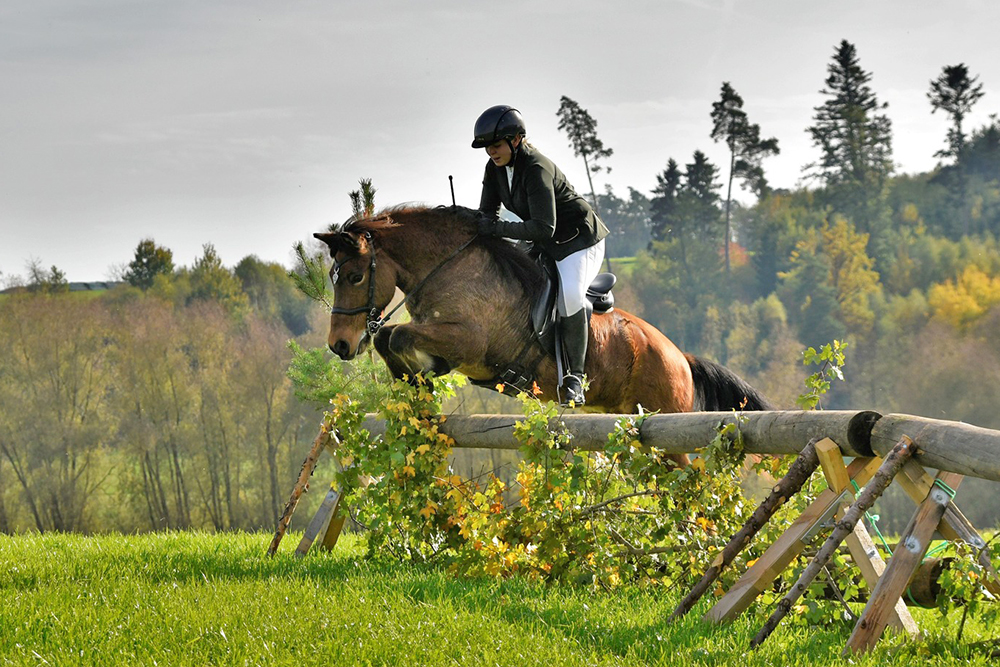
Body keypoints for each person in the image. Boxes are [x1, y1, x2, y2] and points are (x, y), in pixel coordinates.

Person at [472, 104, 609, 406]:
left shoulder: (536, 168)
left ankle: (575, 377)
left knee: (571, 295)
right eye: (487, 148)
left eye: (496, 145)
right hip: (545, 242)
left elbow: (543, 227)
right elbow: (487, 215)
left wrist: (494, 229)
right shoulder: (494, 169)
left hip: (579, 240)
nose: (491, 152)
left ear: (515, 140)